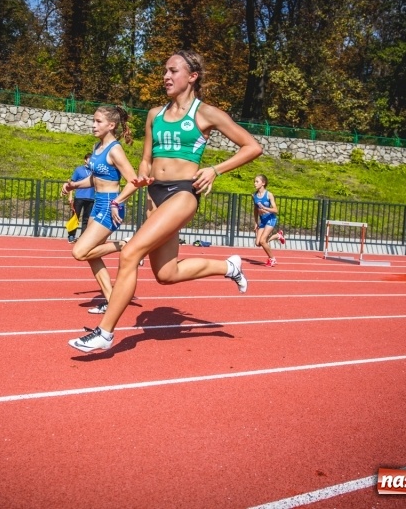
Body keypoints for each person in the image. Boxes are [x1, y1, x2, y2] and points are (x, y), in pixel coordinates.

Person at [69, 49, 263, 353]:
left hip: (184, 192)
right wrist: (143, 178)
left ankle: (105, 331)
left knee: (130, 253)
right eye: (164, 71)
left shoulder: (205, 113)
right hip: (156, 194)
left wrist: (214, 169)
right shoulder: (154, 114)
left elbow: (252, 146)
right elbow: (146, 160)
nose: (166, 77)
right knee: (165, 274)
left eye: (173, 71)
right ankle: (228, 267)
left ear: (192, 76)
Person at [62, 105, 140, 315]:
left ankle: (124, 244)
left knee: (79, 251)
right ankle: (111, 299)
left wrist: (118, 202)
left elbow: (134, 182)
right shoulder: (97, 147)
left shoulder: (115, 150)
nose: (93, 125)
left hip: (109, 206)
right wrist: (73, 185)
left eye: (98, 121)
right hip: (98, 204)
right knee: (91, 255)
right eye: (93, 120)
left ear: (111, 125)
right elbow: (96, 178)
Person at [252, 174, 284, 266]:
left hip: (270, 219)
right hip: (263, 221)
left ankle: (272, 259)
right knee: (258, 243)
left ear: (263, 183)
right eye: (254, 181)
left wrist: (265, 208)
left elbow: (275, 210)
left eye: (257, 181)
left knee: (262, 241)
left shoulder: (269, 195)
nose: (255, 183)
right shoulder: (254, 195)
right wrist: (255, 222)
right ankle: (278, 235)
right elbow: (255, 209)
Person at [66, 153, 95, 243]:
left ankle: (83, 236)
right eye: (89, 159)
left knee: (87, 218)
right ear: (85, 160)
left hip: (91, 198)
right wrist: (70, 196)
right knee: (75, 216)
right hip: (79, 197)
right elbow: (72, 183)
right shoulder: (79, 170)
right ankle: (71, 235)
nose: (91, 161)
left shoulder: (94, 171)